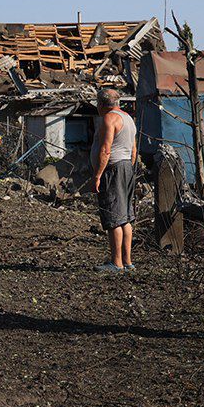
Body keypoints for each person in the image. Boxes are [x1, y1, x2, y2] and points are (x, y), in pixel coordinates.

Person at [91, 88, 137, 273]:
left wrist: (97, 175)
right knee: (125, 217)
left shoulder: (109, 118)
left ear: (100, 104)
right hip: (126, 167)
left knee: (114, 218)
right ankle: (128, 262)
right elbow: (133, 151)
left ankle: (116, 263)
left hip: (113, 169)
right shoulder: (128, 119)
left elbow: (105, 150)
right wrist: (129, 170)